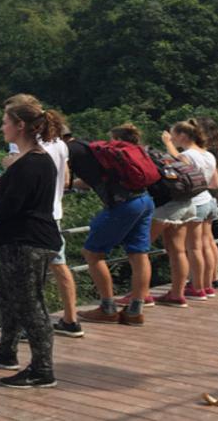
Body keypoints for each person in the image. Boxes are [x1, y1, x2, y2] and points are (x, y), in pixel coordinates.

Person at [0, 103, 65, 389]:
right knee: (8, 296)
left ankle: (42, 369)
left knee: (30, 305)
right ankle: (6, 351)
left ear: (19, 126)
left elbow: (10, 207)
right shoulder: (33, 160)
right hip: (25, 240)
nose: (2, 127)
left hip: (28, 242)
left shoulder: (31, 163)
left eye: (5, 122)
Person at [0, 94, 83, 338]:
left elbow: (19, 179)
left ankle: (29, 328)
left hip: (31, 218)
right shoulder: (58, 142)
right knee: (59, 266)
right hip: (54, 212)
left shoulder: (24, 144)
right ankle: (71, 319)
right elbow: (66, 179)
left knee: (26, 280)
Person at [74, 123, 154, 326]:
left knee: (92, 253)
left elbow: (96, 179)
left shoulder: (110, 154)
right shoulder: (135, 152)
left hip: (123, 204)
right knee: (138, 254)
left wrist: (70, 185)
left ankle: (107, 308)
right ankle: (135, 310)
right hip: (144, 200)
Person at [160, 120, 217, 302]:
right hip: (208, 199)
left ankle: (197, 287)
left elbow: (178, 163)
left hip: (196, 202)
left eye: (174, 135)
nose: (172, 139)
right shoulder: (208, 154)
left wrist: (167, 144)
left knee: (193, 248)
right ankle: (207, 285)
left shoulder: (189, 155)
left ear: (183, 136)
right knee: (205, 245)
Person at [195, 117, 218, 292]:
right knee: (209, 240)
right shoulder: (215, 150)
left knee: (200, 243)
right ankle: (212, 277)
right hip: (212, 199)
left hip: (202, 197)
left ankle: (203, 281)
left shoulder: (202, 152)